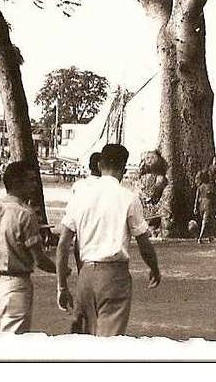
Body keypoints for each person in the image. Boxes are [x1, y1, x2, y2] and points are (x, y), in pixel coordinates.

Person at [55, 143, 161, 337]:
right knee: (109, 345)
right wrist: (154, 268)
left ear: (100, 164)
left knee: (84, 342)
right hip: (114, 275)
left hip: (85, 275)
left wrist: (62, 286)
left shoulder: (81, 195)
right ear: (123, 167)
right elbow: (143, 242)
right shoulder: (128, 198)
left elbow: (63, 245)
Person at [0, 161, 57, 333]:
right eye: (30, 180)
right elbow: (39, 260)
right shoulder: (25, 215)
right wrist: (61, 270)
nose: (35, 185)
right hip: (16, 285)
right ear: (17, 183)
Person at [194, 170, 216, 244]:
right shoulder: (210, 186)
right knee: (206, 221)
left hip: (201, 205)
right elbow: (214, 197)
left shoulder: (200, 187)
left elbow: (196, 198)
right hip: (208, 204)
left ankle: (209, 237)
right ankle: (200, 238)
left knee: (206, 221)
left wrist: (195, 207)